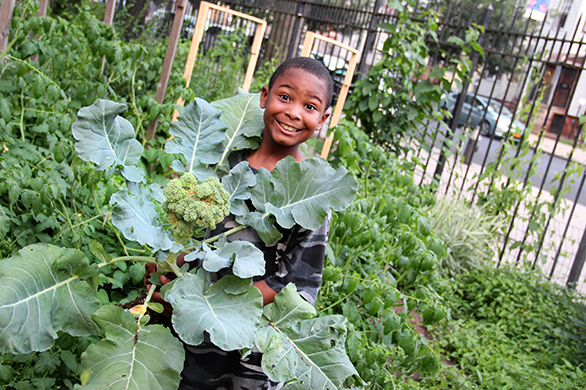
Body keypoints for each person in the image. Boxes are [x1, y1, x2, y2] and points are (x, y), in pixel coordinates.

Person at [145, 57, 334, 390]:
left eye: (309, 106)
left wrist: (213, 303)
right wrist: (165, 270)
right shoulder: (222, 164)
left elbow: (297, 287)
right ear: (264, 97)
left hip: (250, 348)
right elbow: (194, 242)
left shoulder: (311, 194)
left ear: (323, 119)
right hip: (190, 336)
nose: (292, 112)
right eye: (285, 97)